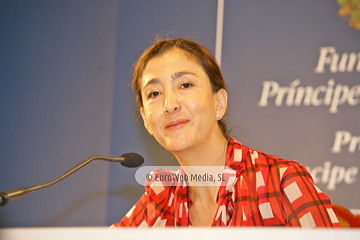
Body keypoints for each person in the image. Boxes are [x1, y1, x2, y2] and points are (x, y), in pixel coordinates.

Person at [112, 38, 341, 227]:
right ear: (146, 121)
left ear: (219, 103)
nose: (169, 105)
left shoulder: (282, 183)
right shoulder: (159, 201)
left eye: (185, 85)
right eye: (154, 93)